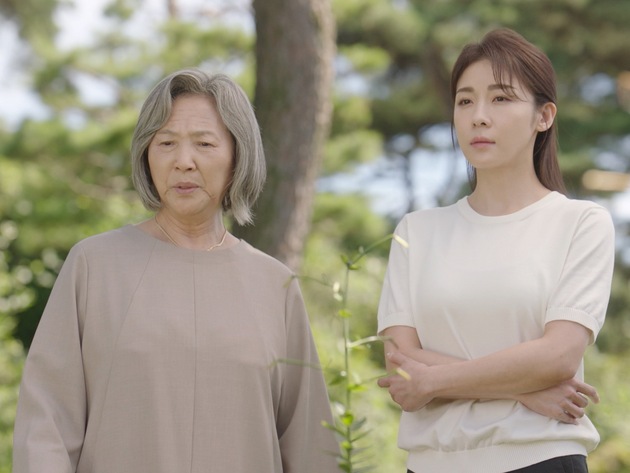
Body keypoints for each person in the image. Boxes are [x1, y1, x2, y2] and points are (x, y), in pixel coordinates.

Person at [12, 69, 338, 473]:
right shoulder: (94, 266)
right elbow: (46, 427)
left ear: (238, 155)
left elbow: (310, 445)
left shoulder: (276, 285)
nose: (184, 162)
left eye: (204, 143)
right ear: (146, 155)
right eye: (166, 143)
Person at [376, 28, 615, 473]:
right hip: (431, 464)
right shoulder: (417, 230)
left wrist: (435, 380)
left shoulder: (580, 223)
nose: (479, 117)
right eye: (465, 101)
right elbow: (401, 362)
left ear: (544, 116)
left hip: (540, 458)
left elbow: (558, 356)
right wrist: (522, 389)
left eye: (501, 98)